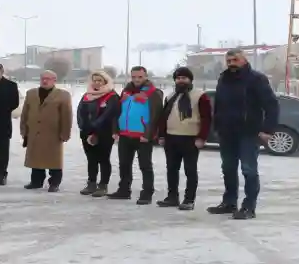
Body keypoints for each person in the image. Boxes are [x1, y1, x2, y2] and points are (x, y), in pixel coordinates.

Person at [208, 49, 278, 220]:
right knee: (228, 169)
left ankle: (249, 207)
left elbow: (271, 105)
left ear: (244, 60)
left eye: (235, 60)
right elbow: (219, 104)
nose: (231, 63)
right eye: (229, 60)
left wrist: (267, 129)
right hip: (227, 132)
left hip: (248, 132)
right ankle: (229, 202)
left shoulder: (256, 79)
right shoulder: (223, 78)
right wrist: (217, 126)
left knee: (249, 170)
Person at [155, 67, 212, 210]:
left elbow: (206, 118)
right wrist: (161, 135)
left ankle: (189, 199)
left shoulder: (200, 96)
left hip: (190, 138)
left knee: (190, 170)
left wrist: (202, 137)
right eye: (178, 78)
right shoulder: (171, 96)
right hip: (171, 138)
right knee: (172, 169)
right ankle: (172, 197)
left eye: (184, 78)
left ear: (190, 80)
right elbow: (164, 116)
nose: (181, 81)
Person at [108, 66, 164, 204]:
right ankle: (124, 190)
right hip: (125, 134)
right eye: (134, 77)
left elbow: (156, 115)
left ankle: (147, 193)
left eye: (140, 77)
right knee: (124, 164)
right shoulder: (126, 91)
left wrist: (149, 134)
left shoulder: (153, 93)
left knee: (145, 165)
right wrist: (115, 130)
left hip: (142, 136)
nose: (137, 79)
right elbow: (118, 112)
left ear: (146, 76)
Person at [19, 70, 72, 191]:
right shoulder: (31, 93)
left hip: (53, 133)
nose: (45, 80)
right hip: (34, 132)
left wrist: (65, 133)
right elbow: (25, 113)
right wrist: (24, 130)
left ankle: (54, 183)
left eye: (48, 78)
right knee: (36, 159)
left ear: (54, 80)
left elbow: (66, 116)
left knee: (54, 160)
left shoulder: (63, 95)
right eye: (43, 78)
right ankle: (36, 181)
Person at [77, 70, 120, 197]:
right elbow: (80, 113)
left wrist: (95, 129)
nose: (96, 83)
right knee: (91, 159)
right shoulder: (87, 95)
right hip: (86, 132)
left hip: (104, 133)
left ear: (105, 82)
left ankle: (103, 185)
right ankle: (91, 183)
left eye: (99, 80)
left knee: (103, 159)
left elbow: (108, 115)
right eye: (94, 80)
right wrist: (84, 128)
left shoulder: (111, 96)